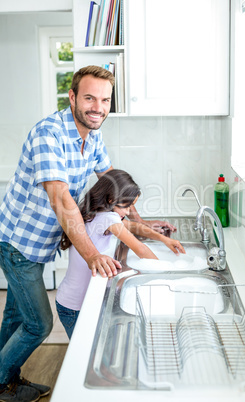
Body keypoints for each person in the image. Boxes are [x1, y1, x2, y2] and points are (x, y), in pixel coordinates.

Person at [0, 65, 176, 401]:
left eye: (105, 100)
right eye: (90, 98)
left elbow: (114, 180)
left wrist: (143, 222)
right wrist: (92, 254)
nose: (98, 106)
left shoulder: (92, 135)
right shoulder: (48, 135)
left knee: (14, 316)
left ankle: (6, 375)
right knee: (37, 324)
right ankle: (1, 381)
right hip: (18, 243)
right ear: (73, 97)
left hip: (39, 244)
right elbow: (61, 199)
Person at [56, 169, 185, 339]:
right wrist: (164, 275)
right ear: (111, 200)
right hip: (76, 306)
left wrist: (163, 239)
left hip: (69, 301)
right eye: (126, 206)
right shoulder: (109, 218)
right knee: (85, 357)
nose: (127, 212)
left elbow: (132, 226)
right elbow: (141, 249)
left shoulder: (95, 213)